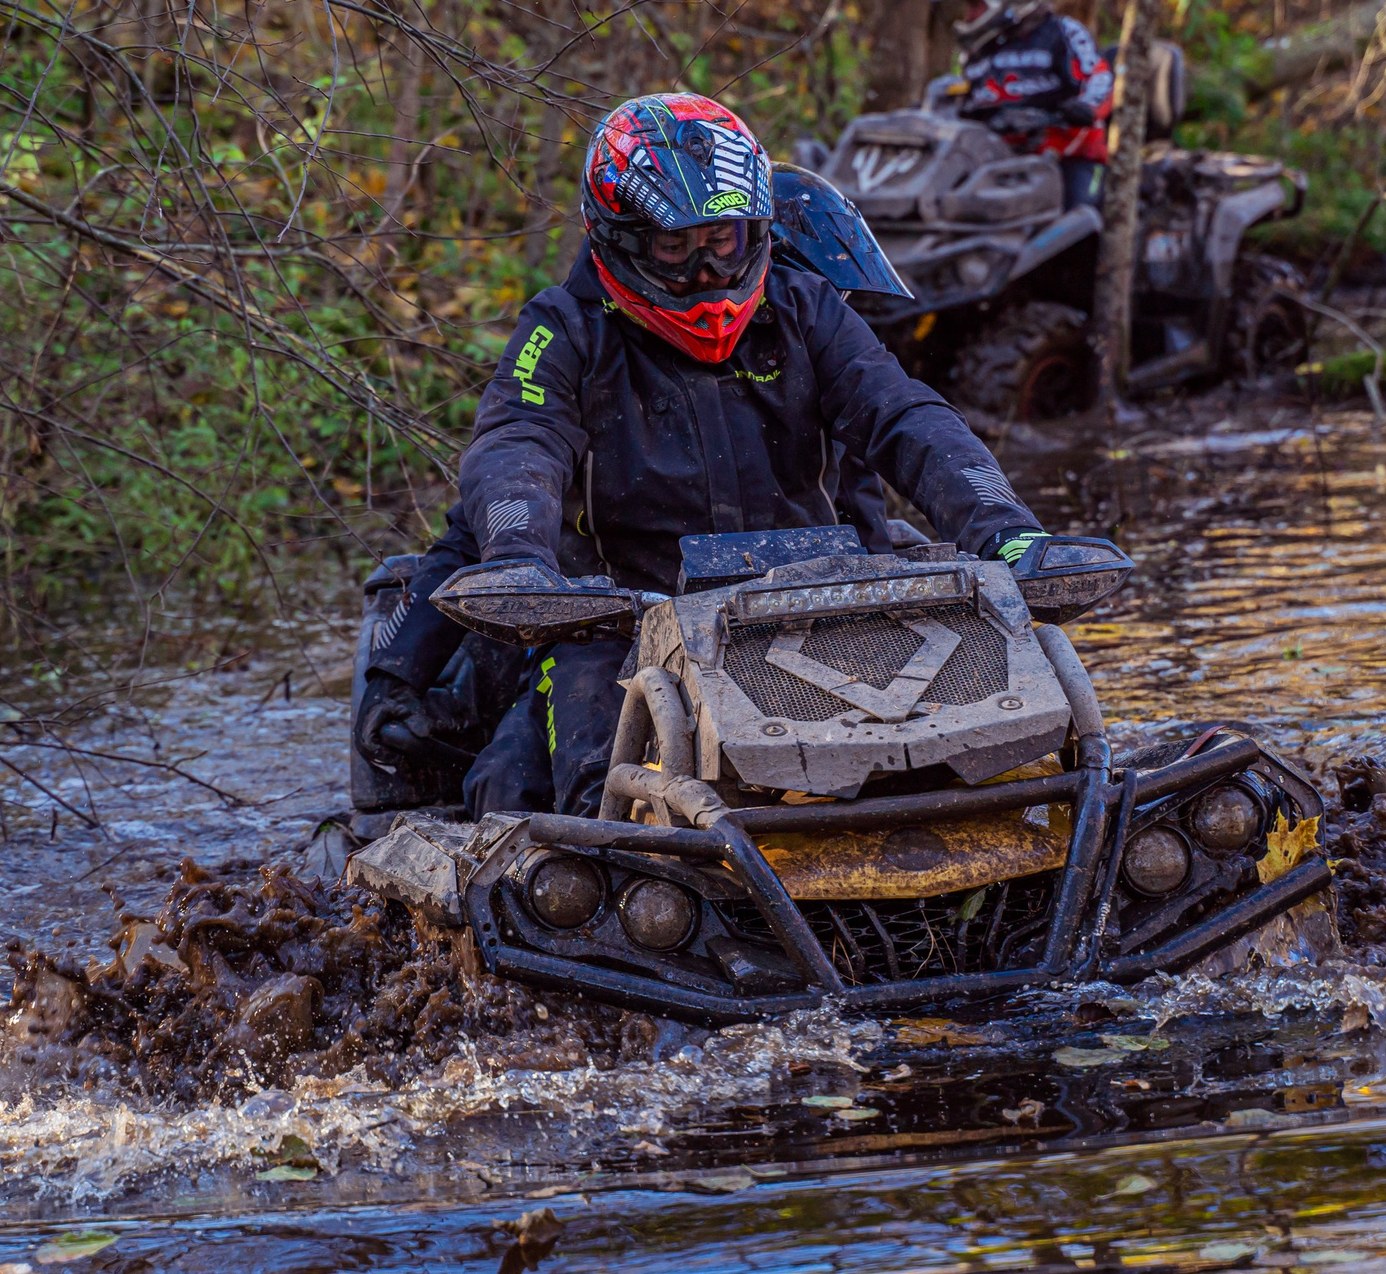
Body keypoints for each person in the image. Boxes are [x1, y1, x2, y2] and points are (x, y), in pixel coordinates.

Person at [356, 93, 1052, 820]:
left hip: (828, 600)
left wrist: (1004, 525)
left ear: (755, 229)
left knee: (994, 757)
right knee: (526, 787)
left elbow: (906, 415)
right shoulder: (565, 329)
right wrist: (515, 555)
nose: (704, 269)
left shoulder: (804, 305)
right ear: (619, 237)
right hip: (624, 624)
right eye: (674, 247)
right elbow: (516, 444)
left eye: (721, 239)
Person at [920, 0, 1117, 211]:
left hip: (1066, 160)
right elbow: (964, 102)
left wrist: (1084, 108)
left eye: (975, 5)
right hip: (992, 163)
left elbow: (1099, 78)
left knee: (1080, 218)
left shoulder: (1061, 33)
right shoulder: (980, 50)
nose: (970, 15)